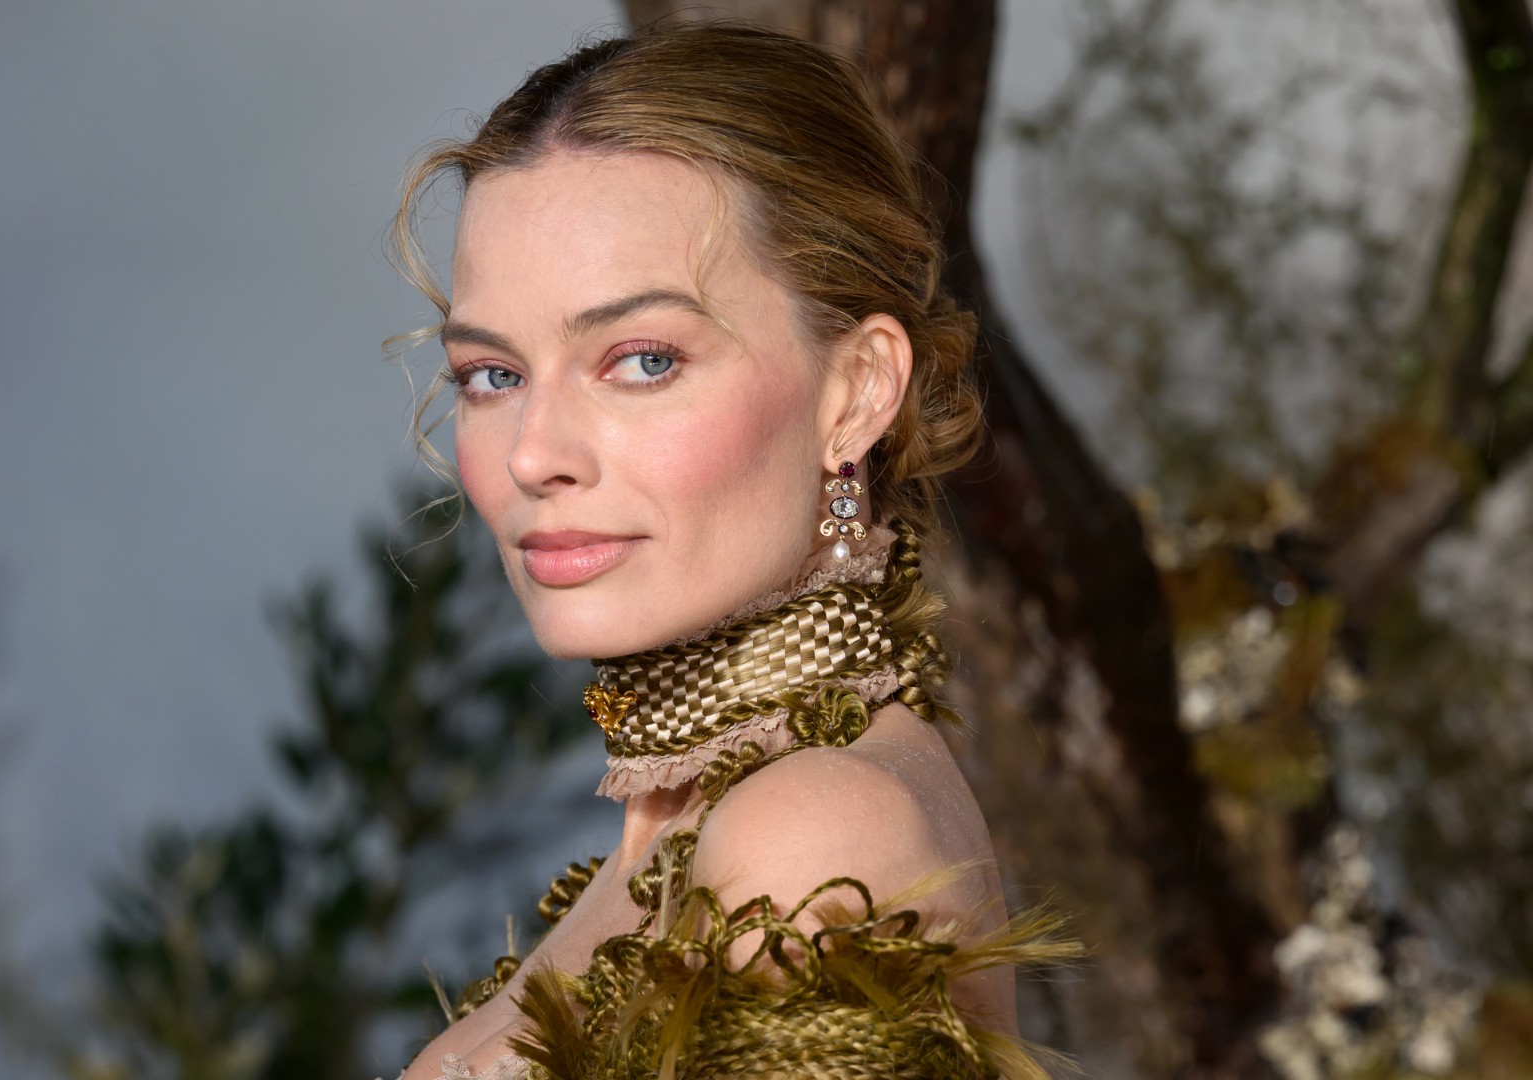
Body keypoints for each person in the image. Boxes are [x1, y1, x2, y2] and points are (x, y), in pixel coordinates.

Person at [390, 20, 1077, 1080]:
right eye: (493, 375)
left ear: (857, 392)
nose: (532, 454)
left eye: (643, 360)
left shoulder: (812, 834)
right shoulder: (707, 820)